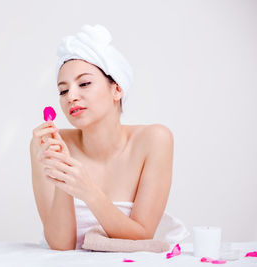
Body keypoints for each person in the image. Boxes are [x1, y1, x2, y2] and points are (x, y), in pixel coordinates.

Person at [30, 24, 189, 251]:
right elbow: (61, 245)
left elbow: (142, 236)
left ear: (117, 89)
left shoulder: (154, 140)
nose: (71, 96)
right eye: (63, 91)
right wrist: (62, 174)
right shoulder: (50, 144)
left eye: (84, 83)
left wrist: (88, 190)